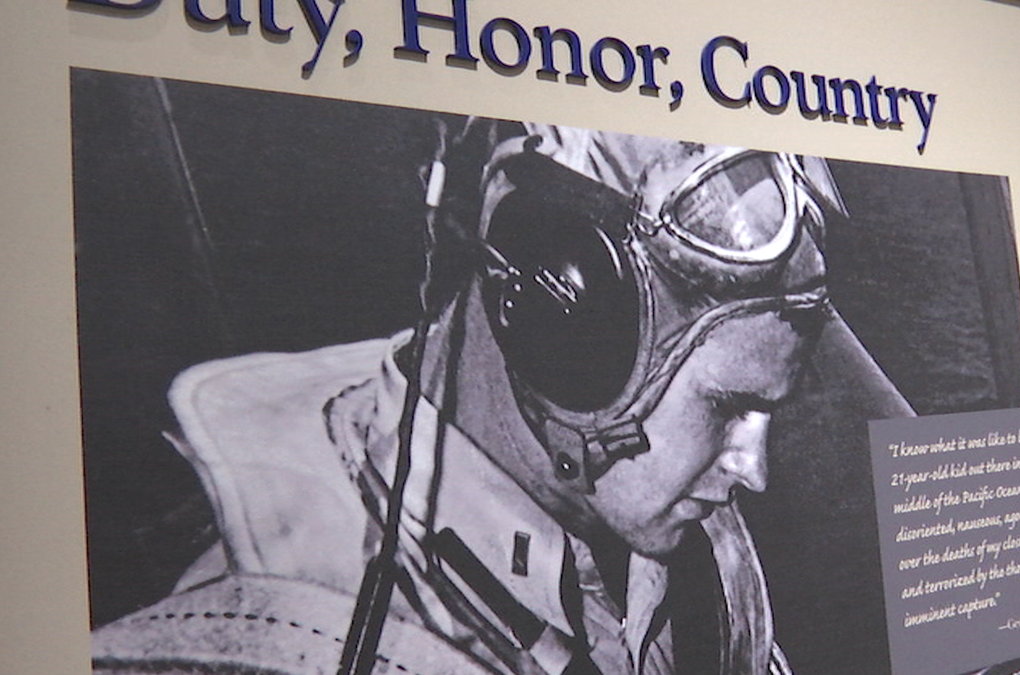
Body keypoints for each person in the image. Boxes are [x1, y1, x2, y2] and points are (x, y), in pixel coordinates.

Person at [90, 122, 912, 675]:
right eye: (728, 406)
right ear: (567, 328)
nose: (754, 469)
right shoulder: (259, 636)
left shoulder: (678, 532)